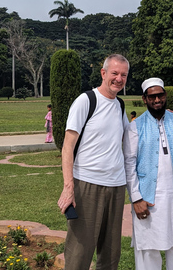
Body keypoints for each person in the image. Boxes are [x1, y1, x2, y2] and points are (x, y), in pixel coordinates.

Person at [57, 54, 129, 270]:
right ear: (103, 73)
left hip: (116, 186)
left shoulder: (120, 105)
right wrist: (69, 188)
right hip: (88, 184)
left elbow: (132, 134)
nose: (118, 78)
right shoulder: (86, 101)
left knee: (110, 253)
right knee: (80, 251)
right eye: (114, 73)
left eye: (123, 75)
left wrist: (165, 115)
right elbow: (67, 146)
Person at [123, 77, 173, 270]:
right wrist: (136, 198)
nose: (157, 100)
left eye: (160, 95)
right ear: (144, 99)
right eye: (152, 96)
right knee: (148, 250)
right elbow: (129, 164)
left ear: (165, 96)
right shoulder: (135, 127)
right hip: (148, 199)